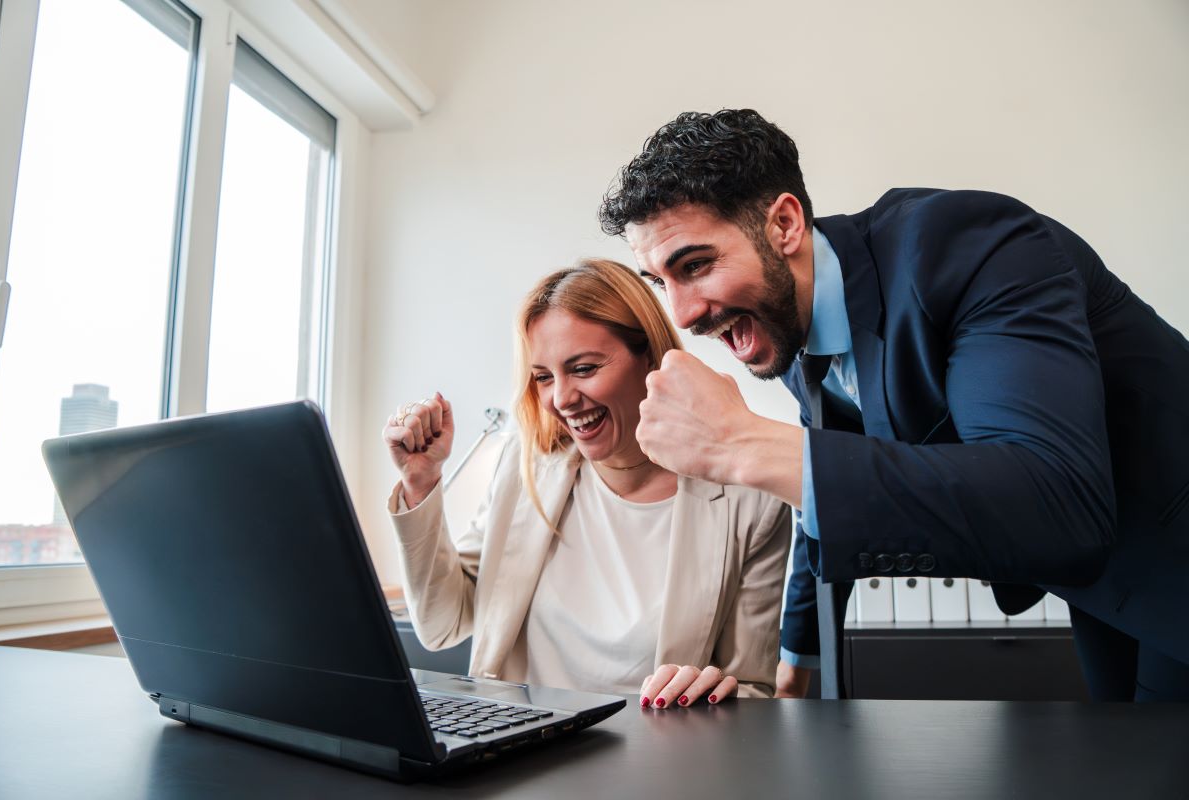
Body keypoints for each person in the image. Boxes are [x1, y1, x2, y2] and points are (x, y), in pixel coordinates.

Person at [598, 108, 1189, 702]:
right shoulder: (791, 323)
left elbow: (1056, 498)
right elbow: (820, 489)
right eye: (660, 282)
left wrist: (739, 444)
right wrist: (799, 657)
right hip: (1106, 582)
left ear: (783, 224)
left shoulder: (963, 243)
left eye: (695, 266)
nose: (683, 314)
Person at [382, 258, 793, 706]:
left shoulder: (751, 502)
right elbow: (443, 624)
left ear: (651, 357)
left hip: (655, 765)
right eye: (543, 377)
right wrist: (421, 484)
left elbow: (752, 688)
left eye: (584, 368)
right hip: (521, 756)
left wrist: (720, 697)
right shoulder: (525, 466)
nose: (560, 398)